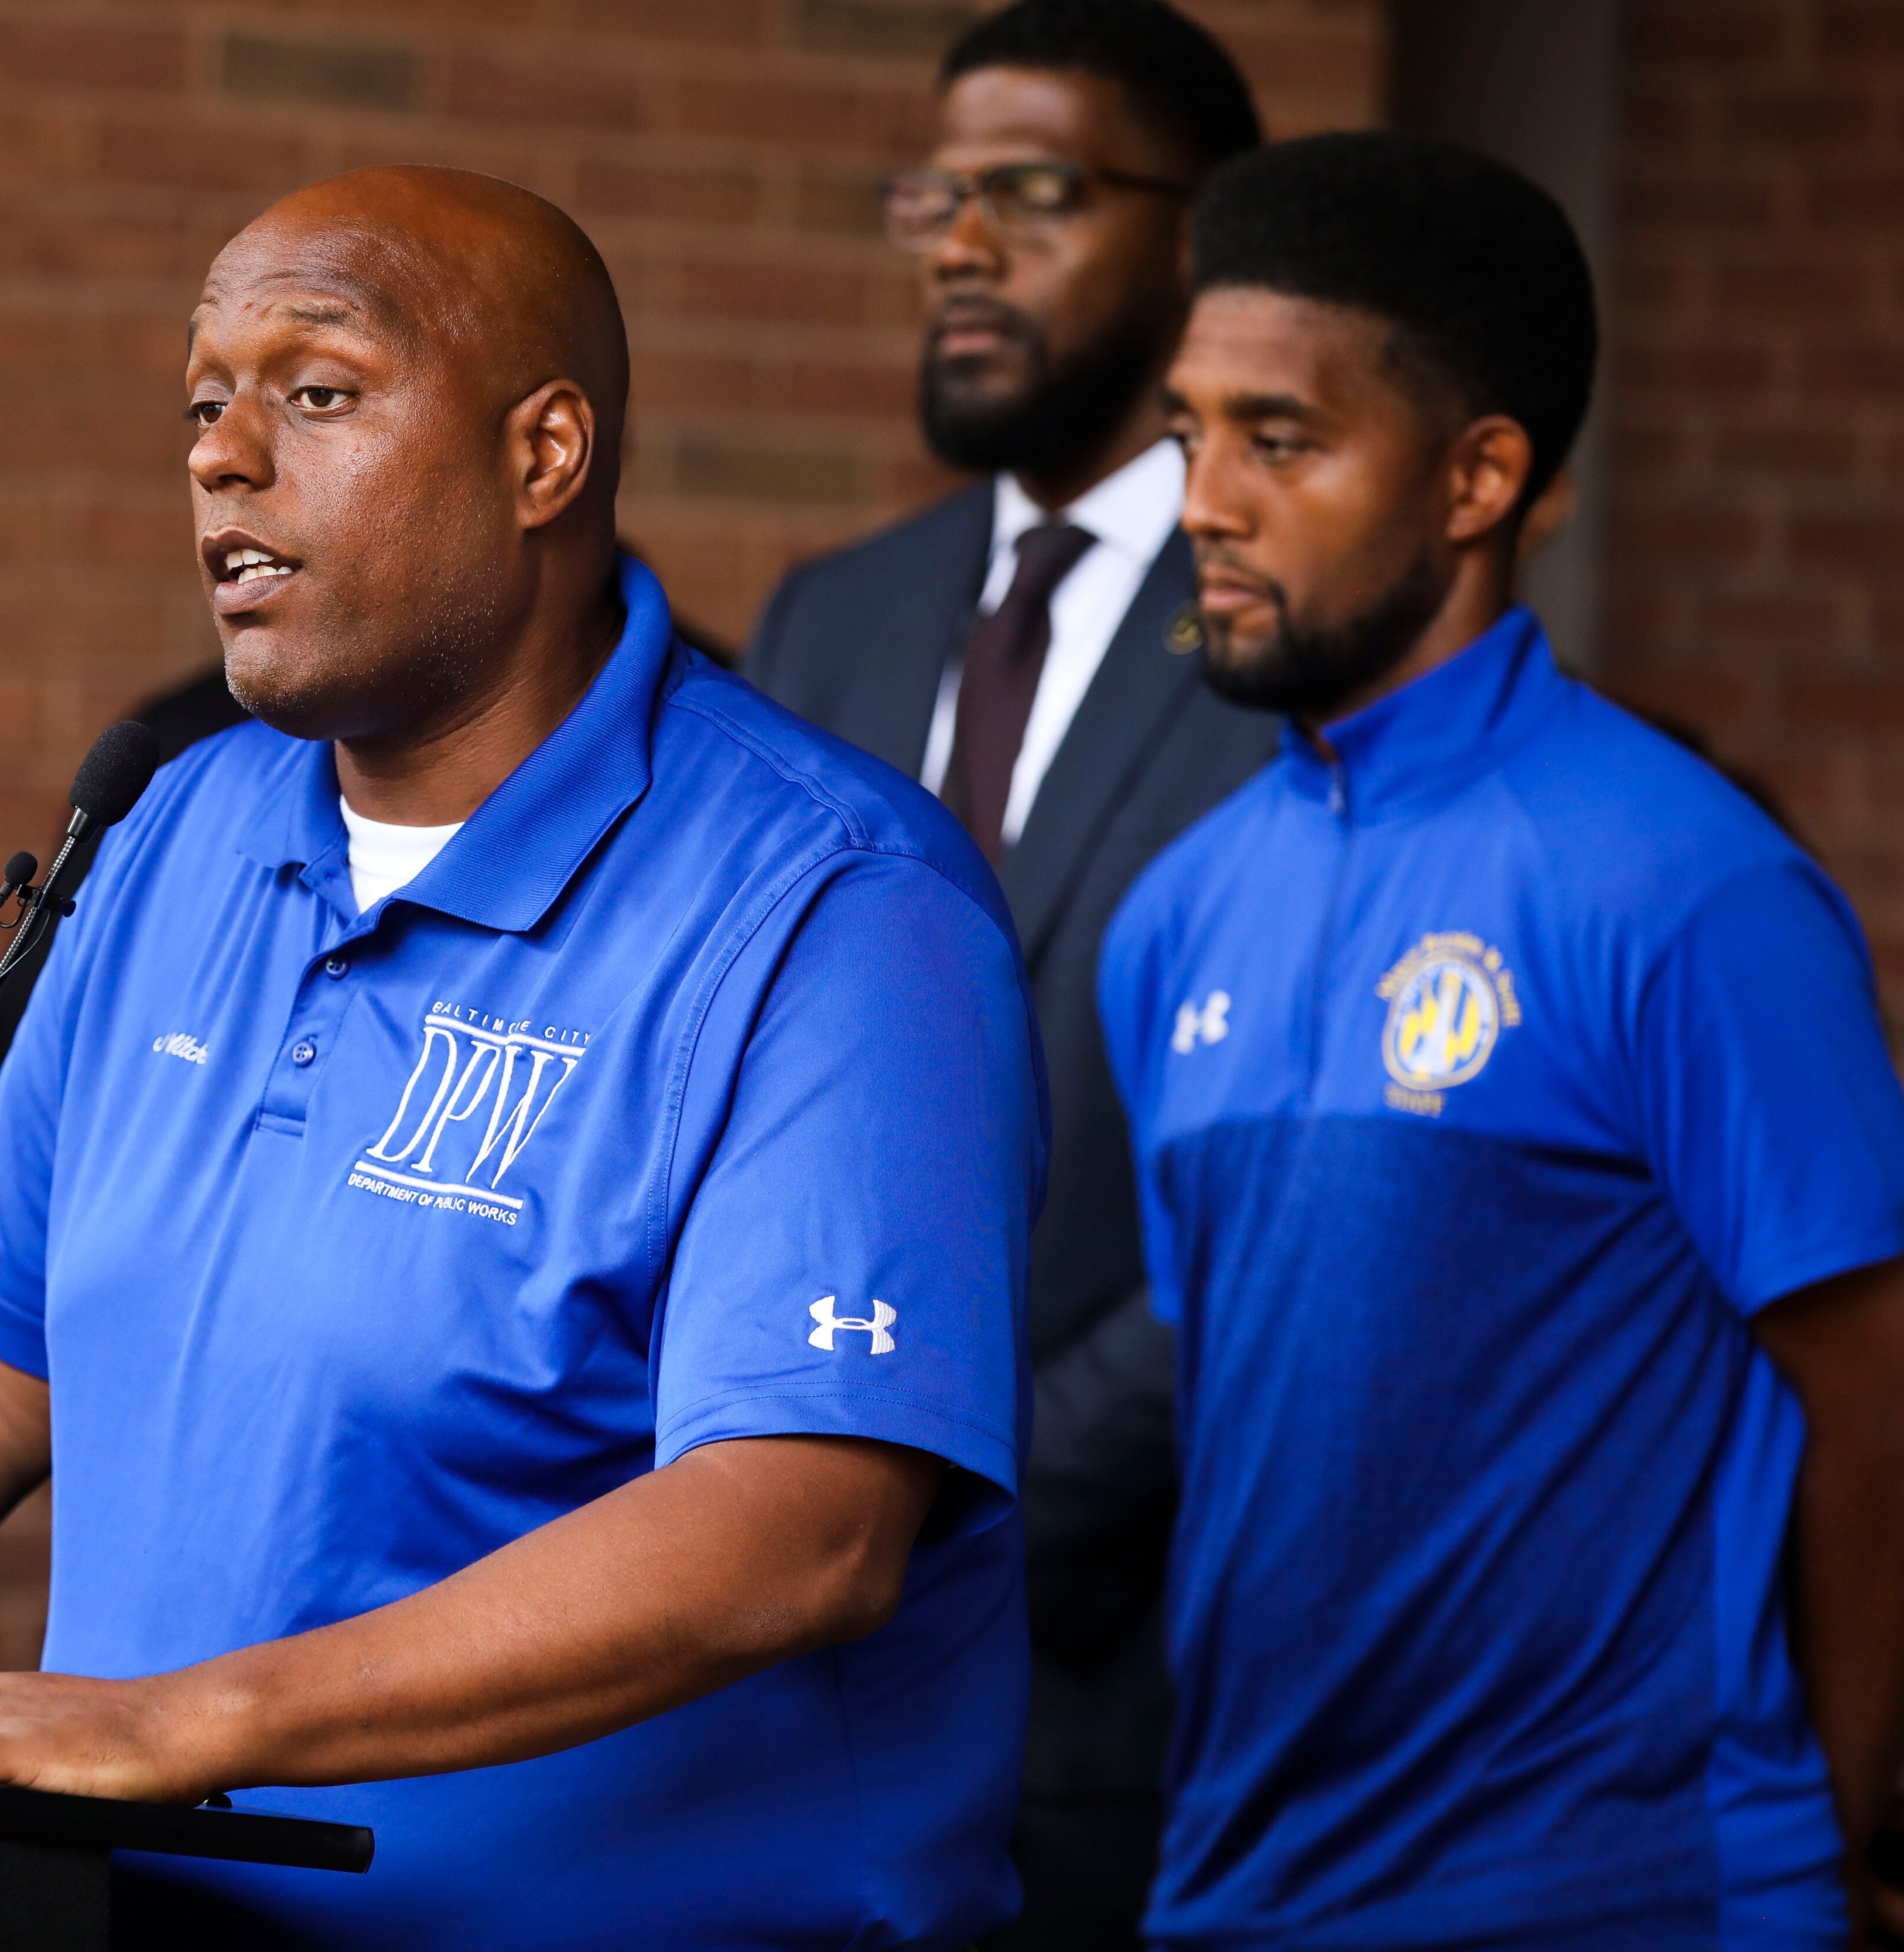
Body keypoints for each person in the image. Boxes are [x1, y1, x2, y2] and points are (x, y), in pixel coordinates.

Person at [0, 167, 1043, 1948]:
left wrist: (181, 1720)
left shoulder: (838, 910)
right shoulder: (172, 829)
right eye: (204, 399)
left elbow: (799, 1524)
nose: (223, 454)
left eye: (317, 391)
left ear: (546, 457)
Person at [1104, 132, 1904, 1948]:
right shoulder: (1179, 911)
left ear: (1479, 477)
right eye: (1187, 432)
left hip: (1627, 1900)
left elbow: (1876, 1398)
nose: (1204, 499)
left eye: (1279, 438)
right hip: (1235, 1895)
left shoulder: (1688, 882)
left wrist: (1847, 1844)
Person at [741, 4, 1274, 1940]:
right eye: (939, 196)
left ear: (1208, 231)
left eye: (1035, 194)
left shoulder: (1295, 639)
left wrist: (940, 1494)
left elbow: (1280, 1203)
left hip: (1141, 1697)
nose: (962, 244)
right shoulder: (834, 617)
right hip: (779, 1697)